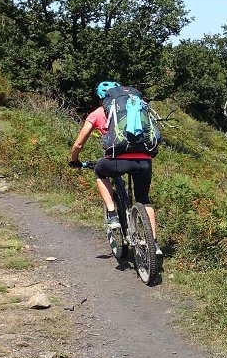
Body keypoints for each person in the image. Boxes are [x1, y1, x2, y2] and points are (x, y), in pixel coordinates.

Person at [68, 81, 160, 253]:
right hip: (145, 160)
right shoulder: (138, 106)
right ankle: (153, 244)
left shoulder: (98, 112)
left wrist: (74, 160)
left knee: (99, 171)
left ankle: (111, 213)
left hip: (117, 160)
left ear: (102, 97)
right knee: (144, 199)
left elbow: (79, 144)